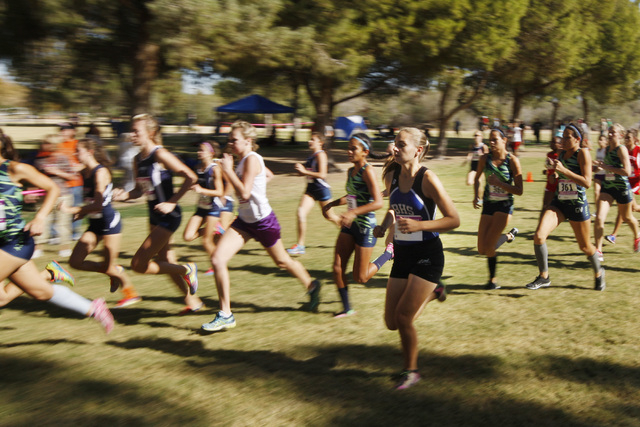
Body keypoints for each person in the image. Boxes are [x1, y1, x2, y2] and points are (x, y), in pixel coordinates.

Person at [201, 121, 321, 332]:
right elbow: (268, 175)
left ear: (248, 141)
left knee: (282, 261)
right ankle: (225, 314)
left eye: (234, 140)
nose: (230, 144)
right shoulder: (245, 160)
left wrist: (228, 171)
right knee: (217, 258)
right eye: (229, 140)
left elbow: (245, 193)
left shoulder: (252, 159)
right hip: (245, 221)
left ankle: (312, 286)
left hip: (264, 222)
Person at [373, 127, 460, 390]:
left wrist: (420, 226)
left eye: (401, 144)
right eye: (394, 144)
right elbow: (394, 208)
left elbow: (454, 219)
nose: (395, 148)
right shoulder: (391, 174)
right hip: (403, 253)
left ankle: (411, 371)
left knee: (403, 318)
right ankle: (436, 292)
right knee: (391, 321)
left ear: (418, 150)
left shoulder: (428, 179)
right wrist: (383, 225)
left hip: (427, 255)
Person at [0, 135, 114, 333]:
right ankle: (92, 307)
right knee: (31, 294)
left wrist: (40, 217)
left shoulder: (14, 168)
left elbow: (52, 188)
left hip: (15, 242)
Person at [112, 114, 203, 313]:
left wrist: (171, 202)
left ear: (150, 133)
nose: (132, 134)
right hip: (153, 216)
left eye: (137, 131)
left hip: (169, 217)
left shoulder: (159, 154)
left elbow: (191, 177)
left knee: (138, 264)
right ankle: (194, 303)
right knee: (165, 262)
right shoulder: (137, 159)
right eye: (132, 130)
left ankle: (187, 269)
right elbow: (138, 191)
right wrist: (122, 195)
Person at [61, 138, 140, 308]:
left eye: (78, 151)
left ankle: (130, 293)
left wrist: (73, 210)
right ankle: (112, 270)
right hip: (95, 224)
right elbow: (90, 200)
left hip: (109, 222)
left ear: (89, 152)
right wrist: (82, 213)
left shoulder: (100, 172)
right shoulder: (85, 173)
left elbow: (98, 204)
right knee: (75, 261)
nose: (75, 154)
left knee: (109, 266)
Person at [321, 133, 394, 317]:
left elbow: (378, 202)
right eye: (349, 147)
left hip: (365, 227)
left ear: (365, 152)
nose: (349, 151)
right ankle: (347, 308)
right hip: (349, 225)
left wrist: (353, 212)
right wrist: (332, 203)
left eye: (354, 148)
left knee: (360, 277)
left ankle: (388, 254)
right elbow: (352, 196)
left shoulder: (368, 171)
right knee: (337, 268)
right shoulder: (350, 171)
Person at [525, 124, 605, 291]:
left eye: (568, 137)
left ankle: (599, 273)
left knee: (585, 247)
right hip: (559, 203)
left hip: (577, 205)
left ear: (578, 139)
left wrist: (564, 170)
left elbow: (587, 182)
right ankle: (544, 276)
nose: (563, 140)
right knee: (539, 236)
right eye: (562, 137)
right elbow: (556, 180)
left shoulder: (583, 153)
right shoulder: (561, 154)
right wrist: (553, 172)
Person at [473, 129, 523, 289]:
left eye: (495, 139)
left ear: (504, 140)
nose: (492, 143)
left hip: (505, 206)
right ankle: (509, 236)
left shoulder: (512, 161)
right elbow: (477, 178)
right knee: (482, 248)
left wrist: (499, 183)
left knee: (489, 246)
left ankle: (492, 281)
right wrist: (476, 196)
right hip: (489, 204)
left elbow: (519, 190)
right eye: (490, 140)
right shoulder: (484, 159)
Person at [593, 124, 640, 261]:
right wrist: (596, 168)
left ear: (620, 135)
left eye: (613, 132)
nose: (610, 134)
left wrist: (606, 167)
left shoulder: (622, 149)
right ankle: (598, 251)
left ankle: (637, 235)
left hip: (622, 188)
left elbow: (627, 171)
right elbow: (606, 168)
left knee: (627, 217)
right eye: (609, 132)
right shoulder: (607, 149)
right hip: (608, 187)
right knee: (600, 217)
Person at [287, 132, 337, 255]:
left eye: (312, 139)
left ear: (320, 143)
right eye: (310, 139)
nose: (310, 141)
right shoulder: (312, 156)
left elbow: (322, 174)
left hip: (321, 189)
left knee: (330, 216)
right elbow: (306, 172)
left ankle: (350, 231)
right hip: (310, 190)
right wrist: (300, 170)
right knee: (300, 212)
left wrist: (304, 171)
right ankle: (300, 246)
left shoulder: (321, 155)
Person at [182, 141, 225, 275]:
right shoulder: (198, 167)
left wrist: (201, 190)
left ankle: (216, 265)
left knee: (206, 241)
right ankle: (215, 228)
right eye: (198, 150)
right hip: (201, 208)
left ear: (211, 153)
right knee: (188, 236)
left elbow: (220, 192)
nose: (199, 152)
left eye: (202, 150)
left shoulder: (214, 169)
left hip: (213, 208)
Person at [33, 135, 74, 258]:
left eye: (46, 143)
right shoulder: (40, 160)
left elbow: (73, 176)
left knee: (63, 223)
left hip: (62, 196)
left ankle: (65, 247)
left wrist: (57, 172)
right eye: (43, 143)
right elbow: (34, 178)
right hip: (44, 196)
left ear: (53, 144)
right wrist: (34, 190)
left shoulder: (63, 158)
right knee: (42, 221)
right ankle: (38, 247)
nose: (43, 145)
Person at [605, 129, 640, 244]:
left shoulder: (638, 150)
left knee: (624, 209)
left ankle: (613, 235)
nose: (626, 140)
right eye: (625, 137)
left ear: (635, 139)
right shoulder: (622, 150)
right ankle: (614, 235)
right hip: (625, 181)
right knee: (631, 208)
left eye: (628, 138)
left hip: (635, 182)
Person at [59, 123, 84, 240]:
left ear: (73, 131)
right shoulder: (58, 145)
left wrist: (80, 166)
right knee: (60, 209)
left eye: (65, 130)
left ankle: (75, 233)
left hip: (76, 183)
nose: (62, 132)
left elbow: (87, 160)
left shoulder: (78, 144)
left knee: (76, 208)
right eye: (61, 130)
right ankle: (58, 234)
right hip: (61, 185)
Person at [541, 136, 562, 216]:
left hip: (558, 185)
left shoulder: (561, 155)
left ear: (560, 144)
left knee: (556, 208)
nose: (551, 143)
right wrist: (546, 171)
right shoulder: (549, 154)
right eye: (551, 142)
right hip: (549, 184)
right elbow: (549, 167)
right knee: (545, 206)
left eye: (554, 142)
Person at [592, 134, 608, 206]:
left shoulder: (607, 150)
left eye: (601, 140)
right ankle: (597, 210)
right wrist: (595, 164)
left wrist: (599, 163)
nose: (599, 141)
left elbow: (608, 162)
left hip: (605, 174)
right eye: (599, 139)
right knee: (596, 192)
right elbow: (597, 161)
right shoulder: (598, 150)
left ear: (606, 141)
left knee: (604, 195)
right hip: (598, 173)